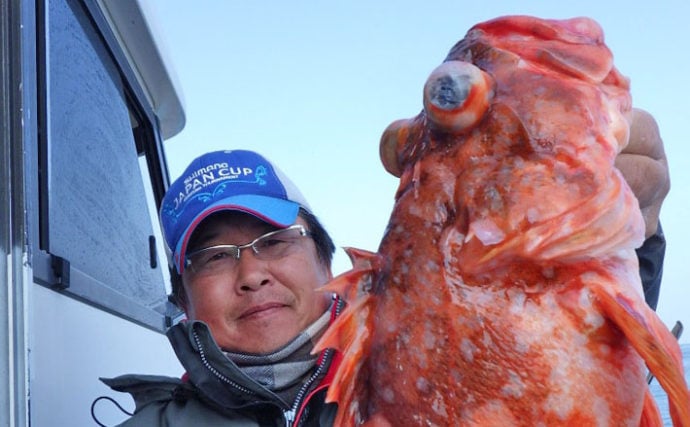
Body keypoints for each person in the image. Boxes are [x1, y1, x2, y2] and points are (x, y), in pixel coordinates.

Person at [98, 108, 669, 426]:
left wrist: (620, 239)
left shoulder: (412, 352)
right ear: (183, 295)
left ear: (324, 258)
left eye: (274, 241)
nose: (251, 274)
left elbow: (553, 348)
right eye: (214, 257)